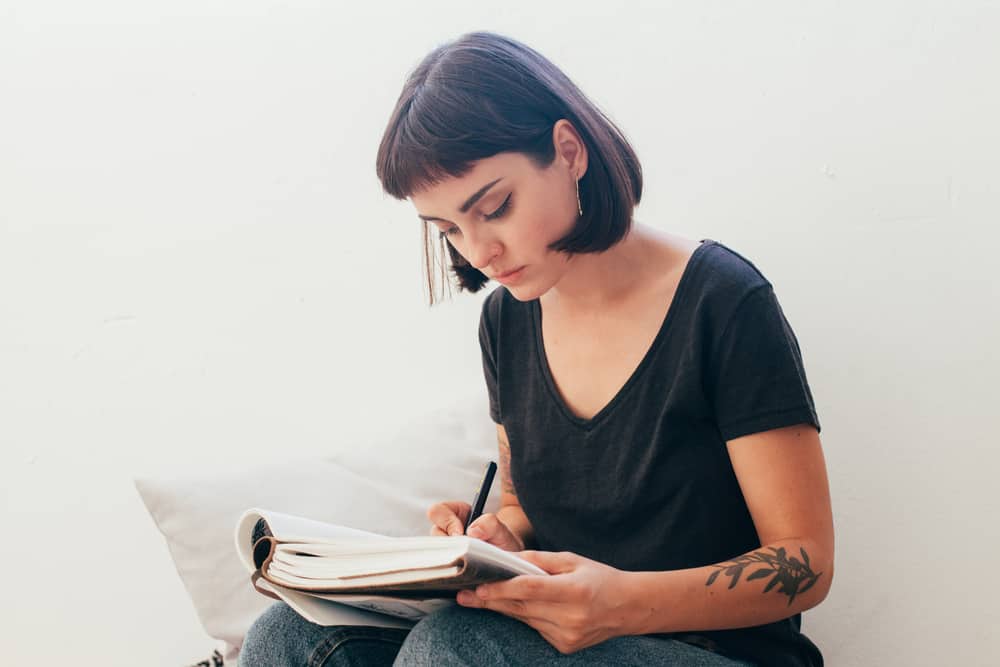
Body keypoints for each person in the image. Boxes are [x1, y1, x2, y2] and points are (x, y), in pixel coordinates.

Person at [240, 31, 833, 667]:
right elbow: (522, 503)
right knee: (285, 635)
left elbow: (805, 561)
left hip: (714, 653)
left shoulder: (722, 301)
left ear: (569, 151)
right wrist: (493, 538)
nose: (478, 253)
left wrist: (620, 604)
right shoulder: (506, 321)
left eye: (495, 207)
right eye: (448, 230)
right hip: (546, 644)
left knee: (459, 648)